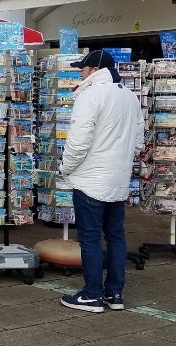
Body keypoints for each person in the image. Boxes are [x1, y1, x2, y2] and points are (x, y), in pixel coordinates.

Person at [59, 49, 144, 314]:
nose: (80, 72)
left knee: (90, 238)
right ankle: (114, 293)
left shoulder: (90, 95)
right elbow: (139, 143)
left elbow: (78, 142)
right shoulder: (130, 97)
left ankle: (92, 294)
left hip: (91, 180)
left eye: (82, 68)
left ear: (94, 70)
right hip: (119, 179)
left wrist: (65, 168)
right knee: (116, 236)